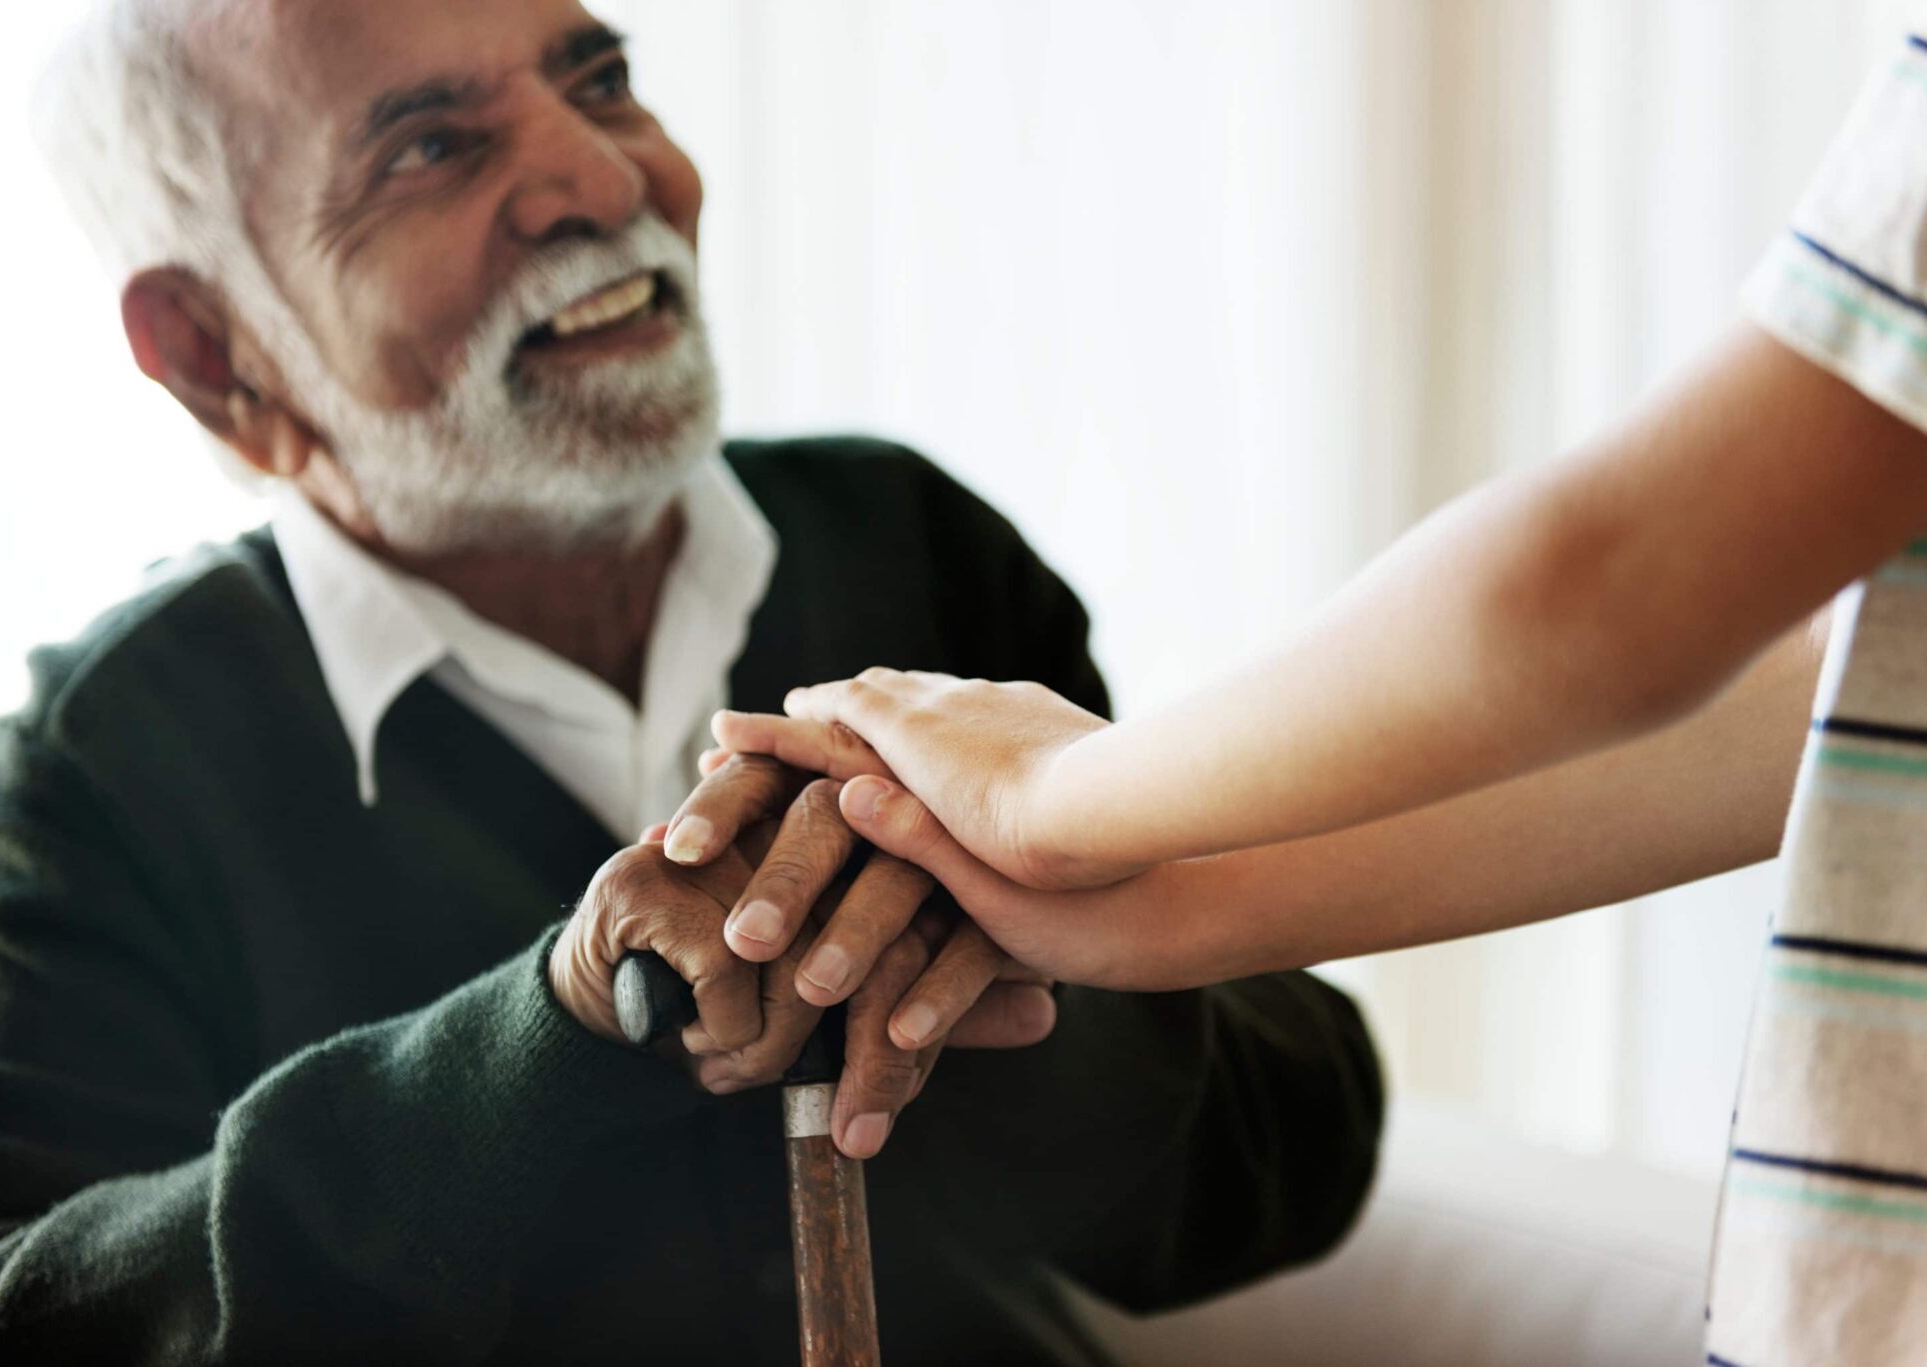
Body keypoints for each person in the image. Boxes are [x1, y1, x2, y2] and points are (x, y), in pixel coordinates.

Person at [0, 0, 1386, 1361]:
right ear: (214, 353)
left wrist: (1015, 962)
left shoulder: (906, 541)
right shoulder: (111, 755)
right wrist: (548, 1035)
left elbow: (1292, 1167)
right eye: (429, 148)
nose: (607, 182)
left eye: (598, 77)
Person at [711, 34, 1927, 1366]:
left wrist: (1058, 796)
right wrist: (1153, 898)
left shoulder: (894, 530)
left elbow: (1624, 587)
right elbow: (1827, 693)